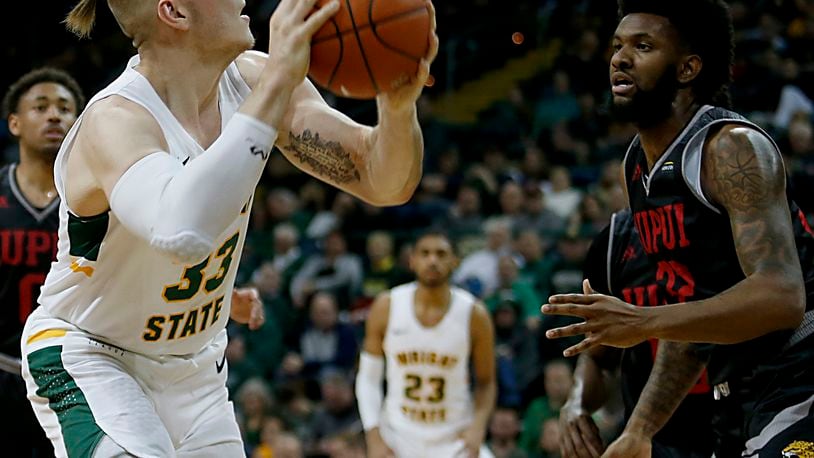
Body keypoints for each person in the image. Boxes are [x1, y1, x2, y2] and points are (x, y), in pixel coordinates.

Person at [19, 0, 437, 456]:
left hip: (196, 370)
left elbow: (382, 181)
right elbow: (179, 229)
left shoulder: (250, 79)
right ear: (174, 11)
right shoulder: (116, 120)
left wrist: (397, 103)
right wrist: (279, 78)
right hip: (95, 357)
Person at [543, 1, 814, 456]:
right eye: (617, 45)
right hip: (736, 392)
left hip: (800, 374)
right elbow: (690, 322)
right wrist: (639, 430)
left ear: (688, 68)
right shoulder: (638, 167)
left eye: (643, 46)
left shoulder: (732, 148)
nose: (620, 58)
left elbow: (782, 296)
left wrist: (643, 321)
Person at [560, 209, 739, 458]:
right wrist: (575, 405)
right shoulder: (615, 241)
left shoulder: (727, 221)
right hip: (653, 438)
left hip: (738, 418)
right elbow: (597, 356)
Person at [0, 67, 84, 458]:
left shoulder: (97, 199)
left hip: (74, 376)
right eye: (41, 107)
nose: (55, 115)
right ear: (14, 123)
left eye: (65, 109)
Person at [356, 231, 496, 457]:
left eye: (441, 254)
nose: (433, 260)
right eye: (425, 253)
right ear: (412, 260)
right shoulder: (387, 306)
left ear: (454, 262)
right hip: (398, 436)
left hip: (455, 438)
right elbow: (368, 378)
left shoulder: (474, 314)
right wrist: (373, 435)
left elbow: (486, 382)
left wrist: (478, 428)